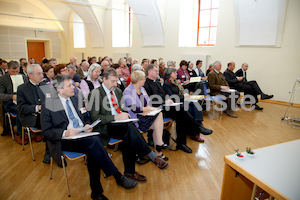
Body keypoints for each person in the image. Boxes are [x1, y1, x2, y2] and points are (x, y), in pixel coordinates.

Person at [41, 74, 138, 200]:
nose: (74, 87)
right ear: (59, 89)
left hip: (83, 135)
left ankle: (97, 192)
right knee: (94, 143)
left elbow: (85, 116)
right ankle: (117, 176)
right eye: (69, 85)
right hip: (64, 139)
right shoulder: (51, 103)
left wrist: (87, 124)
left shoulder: (76, 98)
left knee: (93, 149)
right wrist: (65, 133)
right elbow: (46, 132)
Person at [88, 68, 169, 183]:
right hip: (107, 126)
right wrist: (115, 117)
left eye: (116, 81)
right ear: (104, 79)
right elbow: (95, 118)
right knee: (130, 129)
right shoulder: (95, 93)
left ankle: (130, 172)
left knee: (129, 134)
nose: (115, 84)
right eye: (112, 81)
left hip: (121, 124)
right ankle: (150, 155)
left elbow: (123, 108)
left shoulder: (117, 91)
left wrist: (125, 113)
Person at [144, 64, 212, 153]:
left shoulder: (156, 82)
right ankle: (197, 128)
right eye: (156, 71)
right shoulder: (146, 84)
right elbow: (150, 101)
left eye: (157, 70)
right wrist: (164, 102)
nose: (158, 72)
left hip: (166, 106)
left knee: (181, 115)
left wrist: (167, 99)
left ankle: (182, 143)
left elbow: (164, 95)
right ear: (149, 72)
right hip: (157, 109)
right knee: (181, 110)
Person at [123, 71, 171, 161]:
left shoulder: (142, 89)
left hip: (145, 116)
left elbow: (148, 104)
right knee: (158, 122)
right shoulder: (128, 91)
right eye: (144, 79)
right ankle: (159, 150)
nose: (145, 80)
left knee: (159, 114)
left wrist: (154, 109)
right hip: (136, 118)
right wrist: (145, 109)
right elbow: (134, 108)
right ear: (139, 80)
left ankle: (158, 148)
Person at [163, 67, 213, 142]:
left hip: (183, 100)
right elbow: (171, 97)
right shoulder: (166, 84)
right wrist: (183, 96)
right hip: (176, 104)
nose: (176, 73)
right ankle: (197, 129)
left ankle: (198, 126)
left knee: (196, 104)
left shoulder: (176, 82)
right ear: (169, 74)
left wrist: (185, 94)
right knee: (189, 109)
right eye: (174, 72)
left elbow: (181, 91)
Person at [17, 64, 51, 163]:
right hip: (32, 117)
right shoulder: (22, 88)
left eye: (42, 73)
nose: (42, 76)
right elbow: (21, 108)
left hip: (46, 115)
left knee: (59, 121)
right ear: (30, 75)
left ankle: (56, 149)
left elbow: (54, 103)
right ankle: (49, 152)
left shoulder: (46, 85)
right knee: (49, 125)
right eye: (39, 74)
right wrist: (37, 108)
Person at [0, 61, 28, 144]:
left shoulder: (23, 77)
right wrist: (12, 97)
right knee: (21, 110)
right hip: (10, 102)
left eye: (17, 71)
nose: (15, 74)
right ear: (8, 69)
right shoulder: (3, 79)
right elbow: (1, 95)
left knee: (33, 108)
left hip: (22, 100)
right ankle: (19, 133)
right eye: (13, 71)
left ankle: (31, 129)